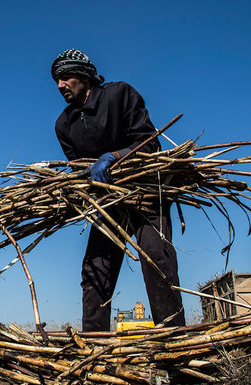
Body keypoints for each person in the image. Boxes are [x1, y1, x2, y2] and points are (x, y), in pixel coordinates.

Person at [51, 49, 185, 331]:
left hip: (144, 195)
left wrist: (115, 156)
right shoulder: (64, 125)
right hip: (106, 204)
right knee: (95, 271)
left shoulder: (119, 95)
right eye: (56, 80)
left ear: (84, 75)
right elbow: (78, 171)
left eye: (65, 77)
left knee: (156, 259)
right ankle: (95, 351)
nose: (60, 85)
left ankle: (173, 339)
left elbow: (149, 142)